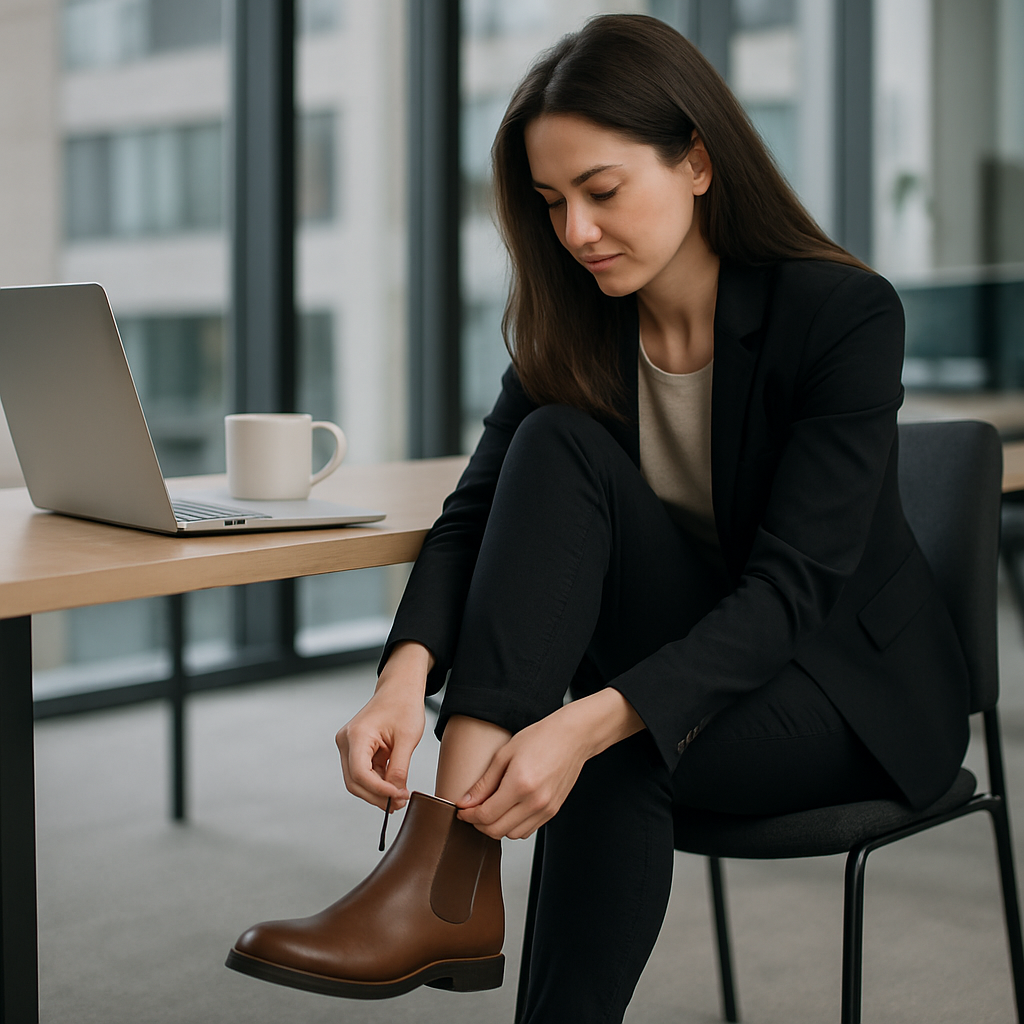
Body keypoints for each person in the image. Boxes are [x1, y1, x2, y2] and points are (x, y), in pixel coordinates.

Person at [225, 14, 969, 1021]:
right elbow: (473, 516)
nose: (574, 232)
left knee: (610, 753)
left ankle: (442, 885)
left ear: (697, 162)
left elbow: (793, 591)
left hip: (844, 691)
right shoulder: (576, 324)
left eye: (602, 191)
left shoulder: (839, 314)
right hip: (686, 656)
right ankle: (440, 871)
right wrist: (402, 681)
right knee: (552, 449)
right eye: (551, 203)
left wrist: (584, 721)